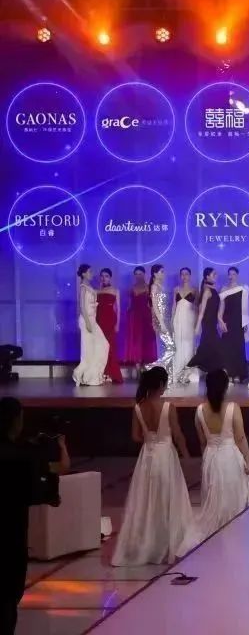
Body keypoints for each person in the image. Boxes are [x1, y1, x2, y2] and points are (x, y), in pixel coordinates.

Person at [111, 367, 194, 566]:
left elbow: (135, 436)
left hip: (147, 457)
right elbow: (178, 435)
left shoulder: (138, 407)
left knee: (146, 499)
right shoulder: (168, 407)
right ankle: (166, 543)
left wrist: (150, 440)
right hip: (166, 456)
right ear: (161, 384)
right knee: (167, 498)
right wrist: (186, 456)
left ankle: (148, 544)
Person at [178, 370, 249, 557]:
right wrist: (248, 463)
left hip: (211, 458)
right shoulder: (233, 408)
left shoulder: (199, 410)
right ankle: (234, 540)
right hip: (230, 458)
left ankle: (218, 543)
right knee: (233, 500)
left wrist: (206, 462)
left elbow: (202, 442)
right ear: (225, 387)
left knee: (214, 500)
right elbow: (240, 438)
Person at [1, 396, 62, 635]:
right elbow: (39, 490)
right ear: (16, 421)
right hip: (11, 536)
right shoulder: (21, 456)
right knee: (8, 595)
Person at [74, 264, 109, 386]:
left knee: (103, 345)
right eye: (89, 272)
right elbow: (82, 307)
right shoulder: (83, 287)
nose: (91, 274)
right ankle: (81, 374)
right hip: (86, 320)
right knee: (88, 350)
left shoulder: (89, 287)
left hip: (92, 320)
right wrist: (88, 323)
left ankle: (92, 375)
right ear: (84, 274)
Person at [189, 267, 225, 375]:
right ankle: (203, 367)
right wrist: (197, 327)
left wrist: (220, 320)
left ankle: (211, 371)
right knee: (213, 346)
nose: (216, 276)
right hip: (208, 323)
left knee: (210, 346)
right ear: (207, 276)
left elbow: (216, 308)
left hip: (212, 323)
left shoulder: (212, 290)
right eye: (214, 274)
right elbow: (201, 311)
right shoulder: (207, 291)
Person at [218, 266, 249, 383]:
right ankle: (228, 373)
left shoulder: (243, 289)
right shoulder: (224, 289)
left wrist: (246, 323)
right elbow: (221, 307)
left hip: (239, 322)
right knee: (227, 348)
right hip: (227, 321)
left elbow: (245, 309)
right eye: (229, 274)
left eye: (233, 274)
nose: (231, 276)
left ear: (237, 275)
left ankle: (238, 373)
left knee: (238, 348)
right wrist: (220, 320)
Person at [124, 266, 157, 372]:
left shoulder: (148, 287)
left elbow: (152, 305)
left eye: (140, 274)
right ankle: (138, 366)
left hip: (146, 316)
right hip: (135, 317)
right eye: (136, 274)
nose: (138, 276)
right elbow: (129, 305)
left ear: (144, 274)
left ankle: (145, 366)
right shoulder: (131, 288)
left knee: (146, 340)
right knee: (136, 340)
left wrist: (154, 319)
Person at [148, 264, 177, 375]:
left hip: (166, 318)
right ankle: (150, 368)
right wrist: (161, 322)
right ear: (155, 274)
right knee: (171, 348)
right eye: (161, 272)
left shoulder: (160, 286)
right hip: (160, 320)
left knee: (166, 348)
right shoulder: (154, 286)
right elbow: (155, 306)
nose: (164, 274)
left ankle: (165, 374)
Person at [171, 267, 198, 386]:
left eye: (186, 274)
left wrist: (197, 323)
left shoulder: (195, 290)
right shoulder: (176, 289)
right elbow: (174, 305)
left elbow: (197, 307)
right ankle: (177, 372)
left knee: (189, 344)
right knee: (178, 344)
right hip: (178, 318)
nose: (184, 276)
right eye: (182, 274)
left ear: (190, 275)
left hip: (189, 319)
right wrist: (171, 321)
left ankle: (188, 373)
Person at [96, 267, 123, 383]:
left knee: (110, 346)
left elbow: (118, 309)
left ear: (110, 278)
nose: (104, 278)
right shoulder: (97, 291)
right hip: (98, 319)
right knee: (100, 347)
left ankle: (112, 373)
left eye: (106, 276)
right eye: (102, 276)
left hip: (110, 319)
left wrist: (117, 324)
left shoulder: (115, 290)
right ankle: (102, 373)